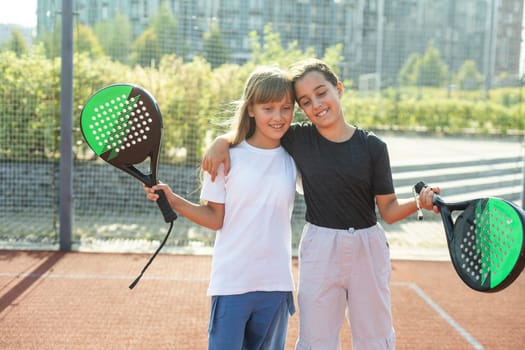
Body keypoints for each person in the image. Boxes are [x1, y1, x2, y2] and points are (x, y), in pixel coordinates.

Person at [201, 58, 440, 350]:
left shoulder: (373, 147)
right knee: (317, 341)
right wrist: (221, 141)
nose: (316, 104)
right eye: (305, 101)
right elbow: (257, 127)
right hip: (320, 246)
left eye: (321, 92)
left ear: (338, 89)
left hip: (367, 247)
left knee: (374, 338)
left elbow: (388, 211)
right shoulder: (296, 138)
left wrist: (418, 202)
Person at [144, 65, 298, 350]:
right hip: (232, 284)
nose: (278, 117)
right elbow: (216, 218)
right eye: (268, 108)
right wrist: (174, 199)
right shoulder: (226, 157)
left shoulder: (295, 157)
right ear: (251, 109)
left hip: (276, 285)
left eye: (286, 108)